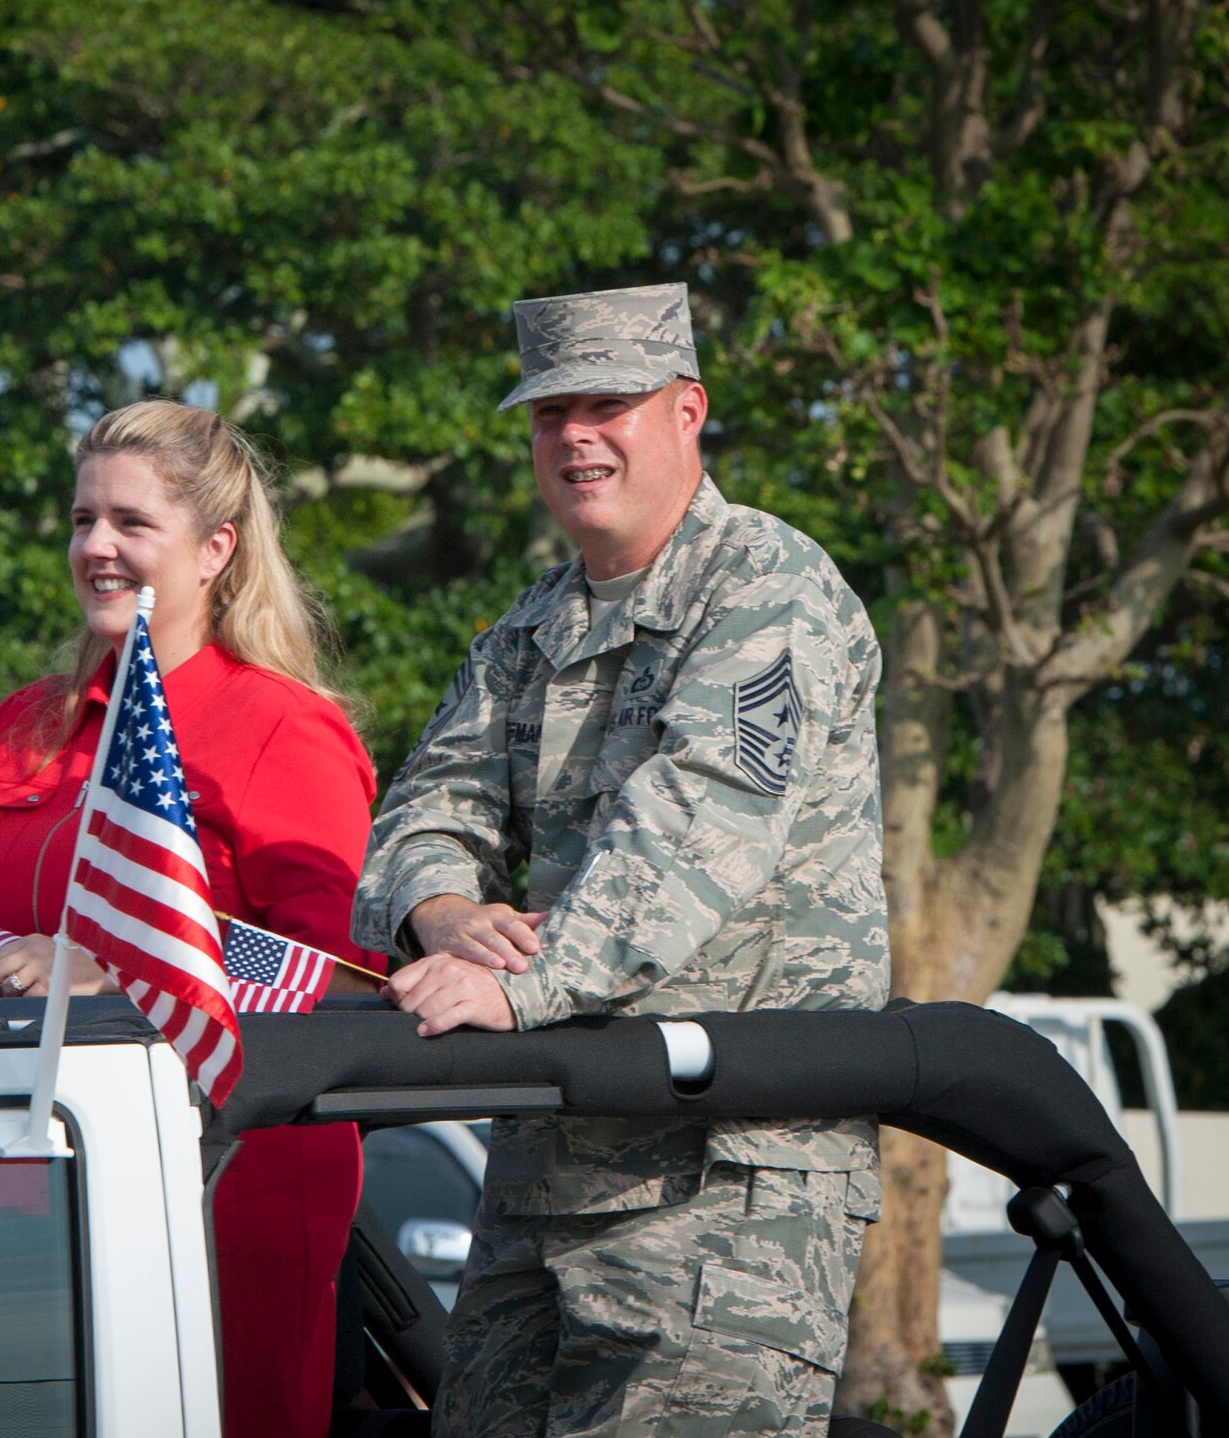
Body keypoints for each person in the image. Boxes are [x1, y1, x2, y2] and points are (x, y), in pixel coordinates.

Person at [0, 399, 379, 1438]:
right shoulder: (27, 721)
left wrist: (114, 966)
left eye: (130, 522)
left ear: (212, 548)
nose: (95, 545)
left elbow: (329, 981)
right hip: (17, 1186)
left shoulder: (284, 727)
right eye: (82, 517)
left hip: (221, 1192)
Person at [352, 283, 889, 1436]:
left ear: (686, 410)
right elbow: (421, 805)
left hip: (725, 1185)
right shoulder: (532, 623)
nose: (573, 436)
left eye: (607, 404)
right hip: (545, 1165)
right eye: (549, 413)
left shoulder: (766, 588)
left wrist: (514, 984)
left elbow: (694, 831)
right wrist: (440, 911)